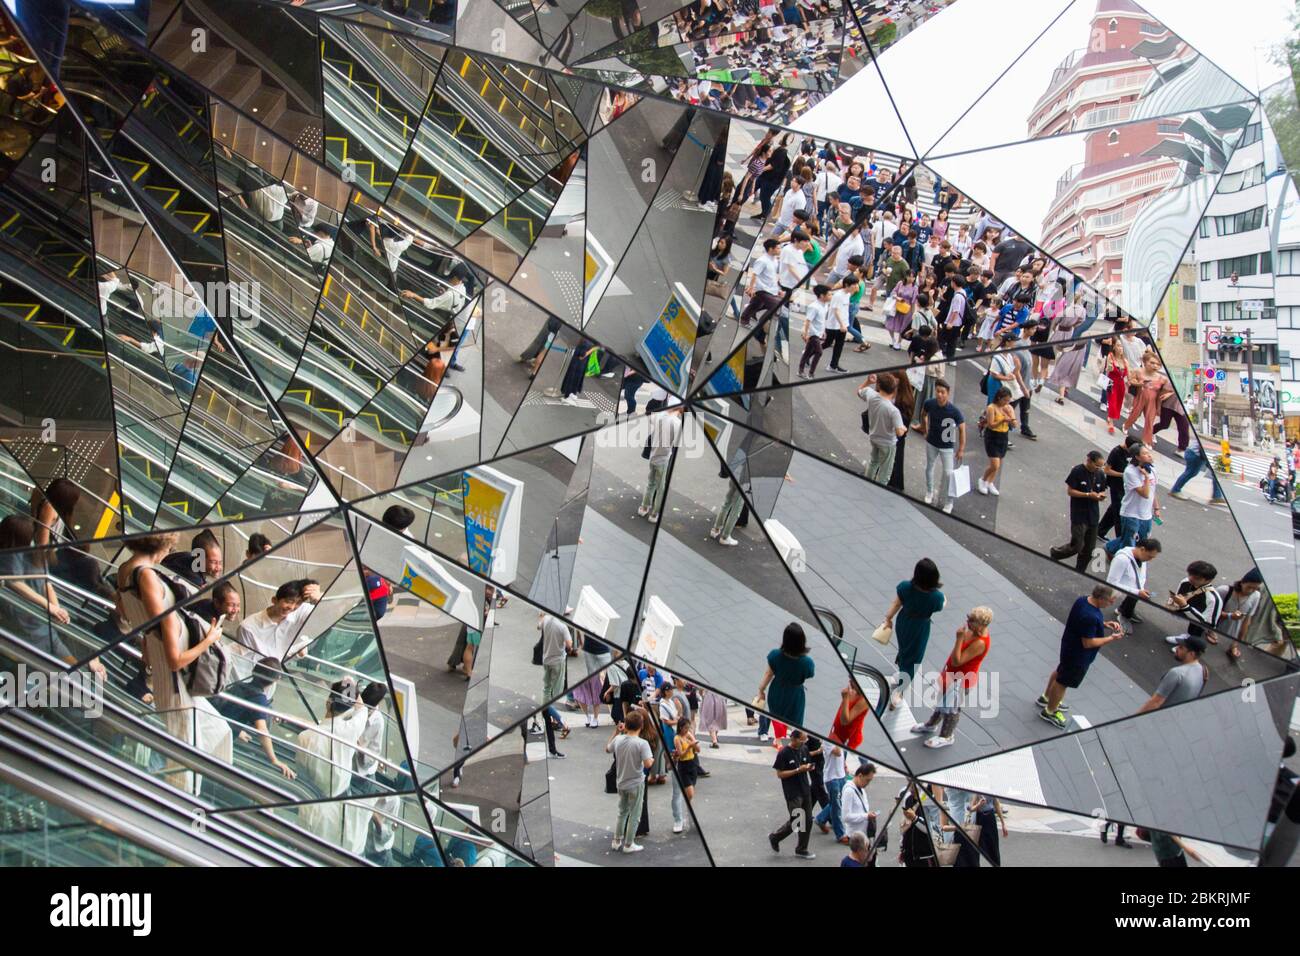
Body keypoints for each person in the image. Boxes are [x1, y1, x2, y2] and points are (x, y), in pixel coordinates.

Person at [116, 532, 232, 793]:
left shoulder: (126, 569)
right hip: (173, 678)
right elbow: (173, 657)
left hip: (164, 668)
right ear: (164, 546)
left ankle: (206, 789)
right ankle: (179, 804)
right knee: (184, 752)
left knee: (218, 730)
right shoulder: (146, 575)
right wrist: (208, 639)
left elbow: (123, 612)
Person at [296, 678, 369, 854]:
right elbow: (363, 710)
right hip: (340, 804)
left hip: (312, 803)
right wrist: (352, 688)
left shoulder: (306, 737)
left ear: (328, 702)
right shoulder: (350, 729)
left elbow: (301, 773)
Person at [1038, 586, 1123, 728]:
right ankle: (1050, 711)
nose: (1112, 604)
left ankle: (1047, 697)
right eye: (1111, 601)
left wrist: (1103, 624)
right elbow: (1088, 643)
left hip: (1069, 647)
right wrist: (1111, 638)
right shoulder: (1090, 616)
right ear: (1102, 598)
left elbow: (1085, 624)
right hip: (1078, 656)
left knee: (1060, 671)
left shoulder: (1083, 601)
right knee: (1063, 682)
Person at [912, 607, 992, 749]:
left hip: (961, 680)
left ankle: (947, 736)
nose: (968, 621)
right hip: (951, 674)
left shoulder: (980, 642)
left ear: (981, 624)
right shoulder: (972, 631)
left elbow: (958, 660)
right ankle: (932, 724)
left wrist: (959, 639)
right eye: (969, 617)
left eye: (972, 620)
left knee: (952, 709)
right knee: (943, 702)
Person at [214, 658, 296, 779]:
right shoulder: (259, 698)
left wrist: (238, 729)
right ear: (276, 680)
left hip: (216, 726)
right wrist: (274, 760)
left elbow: (229, 710)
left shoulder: (240, 685)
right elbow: (262, 730)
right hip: (218, 739)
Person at [881, 558, 945, 710]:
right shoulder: (936, 597)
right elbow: (941, 605)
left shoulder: (905, 587)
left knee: (904, 649)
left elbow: (896, 604)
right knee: (914, 658)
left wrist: (888, 618)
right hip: (920, 627)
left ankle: (901, 672)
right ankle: (899, 693)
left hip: (903, 622)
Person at [1049, 451, 1108, 572]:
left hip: (1093, 515)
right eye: (1097, 466)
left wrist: (1100, 495)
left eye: (1101, 466)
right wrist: (1087, 495)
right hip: (1079, 514)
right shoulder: (1078, 471)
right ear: (1089, 461)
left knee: (1089, 549)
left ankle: (1080, 570)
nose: (1099, 469)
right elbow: (1070, 491)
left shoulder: (1100, 474)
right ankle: (1056, 553)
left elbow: (1102, 490)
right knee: (1077, 545)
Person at [607, 711, 655, 854]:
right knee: (634, 814)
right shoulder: (642, 743)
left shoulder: (619, 739)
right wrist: (651, 759)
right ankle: (629, 844)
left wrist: (616, 732)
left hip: (621, 782)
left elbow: (607, 748)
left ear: (625, 725)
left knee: (622, 812)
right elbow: (647, 764)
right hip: (636, 782)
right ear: (641, 726)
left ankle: (616, 841)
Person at [755, 622, 815, 730]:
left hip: (777, 691)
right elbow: (809, 674)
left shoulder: (775, 655)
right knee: (795, 723)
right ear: (802, 640)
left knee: (777, 719)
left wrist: (761, 690)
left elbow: (768, 674)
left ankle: (779, 738)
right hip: (795, 695)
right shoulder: (807, 662)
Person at [768, 728, 817, 859]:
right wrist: (797, 770)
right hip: (793, 792)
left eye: (805, 739)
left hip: (805, 789)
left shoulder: (804, 749)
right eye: (802, 739)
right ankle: (775, 837)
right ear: (793, 739)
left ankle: (802, 849)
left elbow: (807, 762)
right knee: (797, 820)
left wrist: (809, 767)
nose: (804, 742)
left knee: (807, 820)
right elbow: (780, 774)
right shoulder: (784, 753)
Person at [1104, 444, 1160, 556]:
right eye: (1145, 454)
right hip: (1131, 514)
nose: (1149, 455)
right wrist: (1146, 478)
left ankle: (1110, 548)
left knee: (1141, 542)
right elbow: (1145, 494)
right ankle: (1125, 562)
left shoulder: (1152, 469)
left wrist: (1156, 508)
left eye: (1148, 453)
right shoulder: (1130, 472)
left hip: (1146, 515)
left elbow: (1153, 491)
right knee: (1129, 544)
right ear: (1137, 457)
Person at [921, 379, 965, 514]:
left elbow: (962, 429)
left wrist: (961, 448)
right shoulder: (930, 403)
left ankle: (949, 501)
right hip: (932, 442)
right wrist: (924, 429)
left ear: (948, 393)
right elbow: (924, 414)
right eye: (938, 391)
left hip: (947, 446)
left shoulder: (954, 411)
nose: (940, 395)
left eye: (943, 392)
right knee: (929, 467)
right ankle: (929, 492)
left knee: (948, 473)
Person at [1138, 635, 1208, 712]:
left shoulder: (1177, 673)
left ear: (1192, 654)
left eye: (1181, 648)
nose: (1177, 648)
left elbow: (1156, 702)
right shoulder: (1203, 671)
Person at [858, 372, 906, 484]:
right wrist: (903, 428)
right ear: (894, 389)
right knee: (885, 471)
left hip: (874, 437)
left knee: (873, 462)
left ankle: (867, 483)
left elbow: (859, 391)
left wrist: (868, 381)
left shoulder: (871, 395)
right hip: (888, 443)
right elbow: (899, 433)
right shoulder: (893, 410)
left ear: (879, 386)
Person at [1107, 537, 1162, 633]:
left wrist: (1139, 590)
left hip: (1131, 591)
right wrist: (1137, 591)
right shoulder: (1122, 559)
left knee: (1137, 594)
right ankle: (1124, 615)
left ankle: (1124, 610)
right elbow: (1111, 583)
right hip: (1117, 593)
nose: (1150, 560)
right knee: (1136, 594)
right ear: (1142, 549)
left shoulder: (1142, 558)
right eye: (1150, 556)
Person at [639, 405, 682, 523]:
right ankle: (654, 514)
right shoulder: (677, 423)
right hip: (663, 460)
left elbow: (648, 415)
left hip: (652, 457)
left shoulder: (659, 416)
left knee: (650, 483)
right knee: (661, 488)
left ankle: (644, 507)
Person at [1216, 568, 1263, 662]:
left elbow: (1247, 620)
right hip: (1213, 632)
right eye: (1249, 587)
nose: (1251, 591)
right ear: (1242, 582)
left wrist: (1236, 643)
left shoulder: (1256, 596)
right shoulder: (1224, 591)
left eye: (1255, 588)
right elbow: (1210, 613)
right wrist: (1229, 616)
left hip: (1232, 634)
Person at [1098, 436, 1141, 540]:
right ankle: (1120, 539)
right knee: (1119, 512)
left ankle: (1100, 531)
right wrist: (1123, 474)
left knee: (1114, 509)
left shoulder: (1133, 452)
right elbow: (1106, 470)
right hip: (1116, 486)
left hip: (1125, 486)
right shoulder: (1116, 452)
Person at [978, 386, 1017, 496]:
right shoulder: (991, 408)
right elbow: (991, 425)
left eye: (1008, 400)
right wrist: (1003, 420)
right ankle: (983, 479)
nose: (1006, 402)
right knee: (994, 464)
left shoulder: (1008, 408)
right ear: (999, 398)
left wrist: (1010, 416)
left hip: (1003, 436)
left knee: (999, 463)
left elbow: (1014, 424)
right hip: (992, 436)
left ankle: (990, 482)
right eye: (1005, 400)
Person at [351, 681, 388, 795]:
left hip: (362, 774)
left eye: (367, 710)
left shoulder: (378, 722)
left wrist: (360, 748)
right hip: (347, 762)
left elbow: (373, 755)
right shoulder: (355, 705)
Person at [1168, 440, 1227, 504]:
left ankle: (1217, 497)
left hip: (1196, 453)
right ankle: (1175, 490)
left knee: (1191, 472)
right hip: (1195, 454)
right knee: (1190, 472)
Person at [839, 762, 877, 862]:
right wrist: (866, 816)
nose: (868, 783)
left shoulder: (861, 789)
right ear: (860, 776)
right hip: (857, 838)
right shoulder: (849, 791)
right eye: (867, 780)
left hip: (864, 835)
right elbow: (845, 817)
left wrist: (868, 815)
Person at [815, 734, 849, 842]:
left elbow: (843, 753)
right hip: (832, 777)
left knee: (838, 802)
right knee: (836, 806)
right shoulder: (827, 740)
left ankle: (821, 818)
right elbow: (838, 752)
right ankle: (840, 834)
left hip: (841, 775)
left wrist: (844, 765)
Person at [670, 716, 700, 834]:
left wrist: (694, 743)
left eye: (689, 727)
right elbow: (681, 755)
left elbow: (698, 750)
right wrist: (689, 746)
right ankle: (681, 817)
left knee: (691, 793)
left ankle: (688, 812)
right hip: (683, 765)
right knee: (689, 793)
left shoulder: (689, 735)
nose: (687, 730)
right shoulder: (677, 738)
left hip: (692, 764)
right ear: (680, 727)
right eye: (685, 728)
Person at [798, 283, 830, 378]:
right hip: (813, 334)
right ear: (821, 296)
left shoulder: (825, 305)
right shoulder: (814, 307)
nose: (830, 296)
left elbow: (822, 320)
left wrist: (823, 331)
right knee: (819, 352)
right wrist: (806, 334)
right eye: (829, 294)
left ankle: (800, 371)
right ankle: (811, 373)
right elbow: (808, 321)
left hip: (818, 332)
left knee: (807, 352)